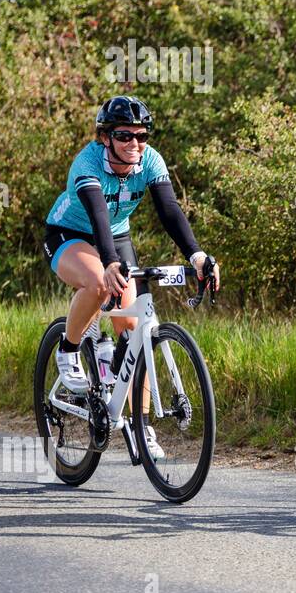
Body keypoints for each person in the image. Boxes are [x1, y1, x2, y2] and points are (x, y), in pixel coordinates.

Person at [43, 95, 220, 459]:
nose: (135, 144)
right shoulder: (88, 164)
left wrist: (197, 255)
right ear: (106, 137)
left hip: (117, 237)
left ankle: (139, 425)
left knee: (134, 327)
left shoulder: (149, 160)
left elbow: (169, 210)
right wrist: (108, 263)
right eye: (125, 136)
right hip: (70, 233)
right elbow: (97, 216)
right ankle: (69, 349)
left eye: (142, 136)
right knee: (96, 282)